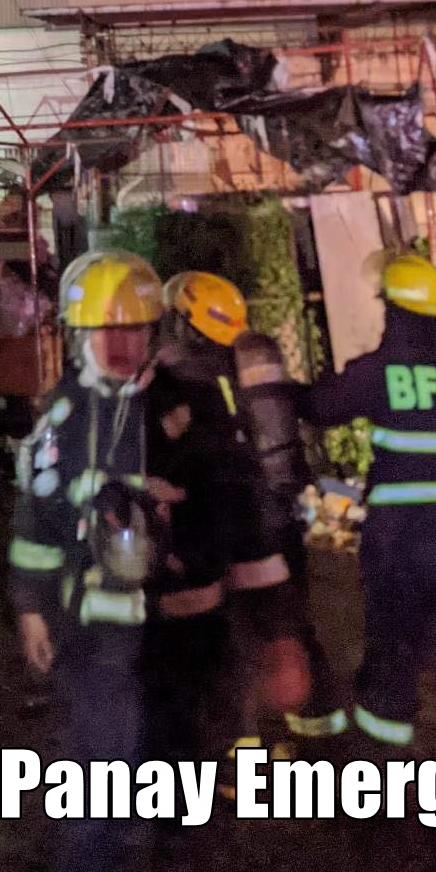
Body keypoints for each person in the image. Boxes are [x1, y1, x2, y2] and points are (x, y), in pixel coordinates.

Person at [9, 248, 232, 872]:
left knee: (177, 750)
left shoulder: (187, 403)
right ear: (84, 335)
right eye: (108, 331)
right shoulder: (64, 414)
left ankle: (182, 866)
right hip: (97, 629)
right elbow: (38, 518)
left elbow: (220, 493)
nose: (121, 343)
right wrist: (30, 607)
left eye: (133, 329)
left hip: (175, 623)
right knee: (101, 761)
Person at [297, 253, 436, 755]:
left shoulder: (377, 373)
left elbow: (320, 408)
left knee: (393, 649)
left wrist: (273, 390)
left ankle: (385, 773)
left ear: (394, 314)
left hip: (401, 542)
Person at [163, 271, 342, 741]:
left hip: (213, 524)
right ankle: (320, 729)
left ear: (183, 321)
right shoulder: (252, 359)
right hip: (272, 515)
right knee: (286, 624)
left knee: (226, 639)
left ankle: (242, 749)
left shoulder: (171, 376)